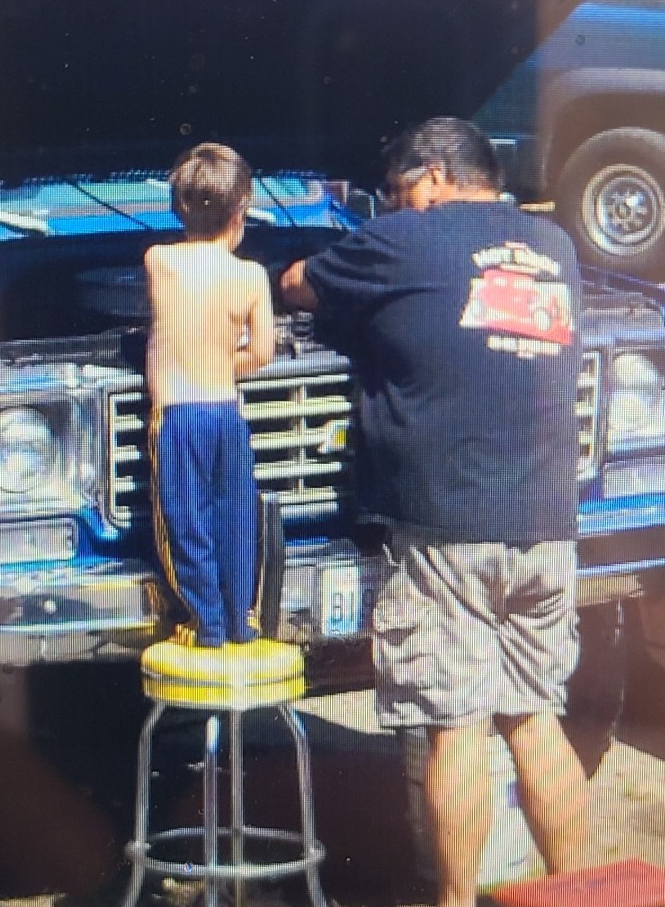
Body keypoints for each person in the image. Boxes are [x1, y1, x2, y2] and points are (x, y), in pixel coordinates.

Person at [280, 117, 588, 907]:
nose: (390, 206)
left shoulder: (402, 240)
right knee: (534, 717)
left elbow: (298, 285)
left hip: (448, 527)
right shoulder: (555, 247)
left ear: (434, 176)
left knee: (455, 727)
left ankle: (454, 901)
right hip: (547, 524)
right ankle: (579, 891)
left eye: (393, 192)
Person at [145, 141, 275, 648]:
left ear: (179, 207)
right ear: (241, 210)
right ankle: (241, 618)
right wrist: (225, 363)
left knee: (185, 520)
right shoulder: (251, 276)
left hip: (178, 413)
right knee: (235, 517)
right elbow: (262, 352)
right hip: (226, 410)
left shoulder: (160, 261)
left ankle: (207, 623)